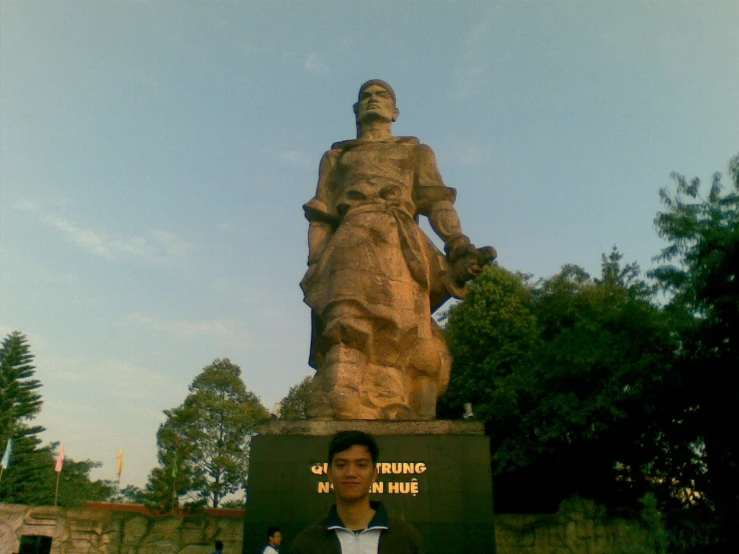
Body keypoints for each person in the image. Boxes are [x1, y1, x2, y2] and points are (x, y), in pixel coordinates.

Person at [301, 79, 494, 420]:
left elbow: (436, 202)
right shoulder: (337, 157)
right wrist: (316, 261)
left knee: (400, 323)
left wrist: (457, 242)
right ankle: (341, 394)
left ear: (395, 112)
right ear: (356, 110)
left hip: (399, 242)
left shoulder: (414, 152)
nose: (373, 100)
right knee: (346, 313)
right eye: (366, 96)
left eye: (382, 96)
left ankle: (391, 401)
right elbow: (322, 216)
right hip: (352, 236)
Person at [291, 431, 424, 554]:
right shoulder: (308, 542)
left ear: (374, 475)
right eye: (341, 465)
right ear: (329, 474)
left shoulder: (404, 537)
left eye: (361, 465)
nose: (350, 473)